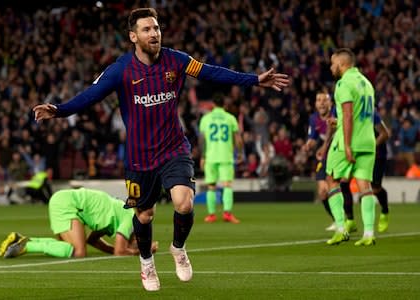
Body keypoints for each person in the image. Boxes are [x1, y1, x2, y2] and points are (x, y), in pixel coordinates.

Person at [32, 8, 289, 291]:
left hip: (173, 148)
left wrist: (253, 79)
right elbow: (90, 96)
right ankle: (146, 264)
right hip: (140, 158)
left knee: (184, 202)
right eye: (146, 29)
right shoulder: (121, 70)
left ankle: (178, 248)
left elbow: (211, 73)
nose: (154, 33)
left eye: (156, 28)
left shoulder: (176, 60)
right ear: (133, 36)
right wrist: (59, 110)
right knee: (144, 215)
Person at [0, 188, 158, 258]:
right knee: (78, 252)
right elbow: (119, 251)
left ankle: (23, 240)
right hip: (68, 203)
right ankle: (26, 246)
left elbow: (92, 240)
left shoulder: (118, 216)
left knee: (66, 248)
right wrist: (142, 251)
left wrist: (126, 249)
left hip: (65, 199)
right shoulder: (131, 218)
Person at [325, 48, 377, 246]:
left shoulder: (344, 83)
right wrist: (338, 122)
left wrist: (346, 144)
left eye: (333, 63)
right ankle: (369, 234)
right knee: (365, 186)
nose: (331, 67)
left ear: (341, 63)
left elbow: (348, 115)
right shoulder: (366, 83)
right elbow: (358, 115)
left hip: (349, 141)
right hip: (368, 141)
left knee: (331, 179)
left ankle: (340, 229)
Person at [308, 93, 356, 233]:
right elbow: (312, 137)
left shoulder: (337, 112)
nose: (321, 103)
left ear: (330, 104)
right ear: (315, 104)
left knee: (344, 184)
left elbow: (336, 128)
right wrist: (308, 145)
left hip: (340, 151)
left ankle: (349, 219)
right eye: (318, 100)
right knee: (322, 192)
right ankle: (338, 220)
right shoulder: (313, 119)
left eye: (325, 100)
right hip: (326, 156)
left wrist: (323, 147)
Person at [199, 94, 243, 224]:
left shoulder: (206, 119)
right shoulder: (230, 118)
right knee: (227, 185)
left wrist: (202, 156)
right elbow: (238, 138)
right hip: (226, 156)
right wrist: (240, 153)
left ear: (213, 105)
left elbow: (202, 140)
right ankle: (227, 214)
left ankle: (211, 215)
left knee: (211, 186)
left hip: (211, 156)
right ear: (225, 105)